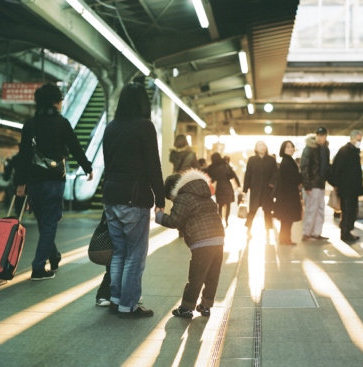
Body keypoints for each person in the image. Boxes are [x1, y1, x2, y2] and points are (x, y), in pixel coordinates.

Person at [15, 82, 93, 280]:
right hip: (54, 181)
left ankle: (54, 255)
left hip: (34, 182)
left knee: (44, 222)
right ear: (54, 102)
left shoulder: (30, 124)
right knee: (49, 224)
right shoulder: (61, 122)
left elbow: (23, 155)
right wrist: (87, 168)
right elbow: (75, 147)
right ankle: (38, 268)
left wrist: (21, 183)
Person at [102, 82, 165, 319]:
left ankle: (116, 299)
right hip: (134, 197)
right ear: (143, 103)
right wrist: (160, 197)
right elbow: (153, 165)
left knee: (119, 253)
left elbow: (108, 163)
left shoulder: (111, 127)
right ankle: (128, 305)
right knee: (135, 254)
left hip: (111, 196)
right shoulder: (144, 127)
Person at [155, 169, 225, 318]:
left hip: (202, 242)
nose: (172, 201)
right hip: (218, 239)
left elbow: (174, 220)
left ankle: (186, 308)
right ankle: (205, 306)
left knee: (196, 276)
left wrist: (159, 216)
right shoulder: (204, 194)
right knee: (212, 275)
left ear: (173, 191)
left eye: (170, 198)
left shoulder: (183, 198)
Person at [332, 130, 363, 242]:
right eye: (358, 140)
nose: (359, 142)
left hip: (352, 188)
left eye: (360, 140)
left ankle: (348, 231)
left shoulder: (353, 151)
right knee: (347, 211)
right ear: (352, 138)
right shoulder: (345, 151)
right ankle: (345, 233)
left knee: (352, 210)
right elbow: (336, 169)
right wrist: (336, 184)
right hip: (347, 188)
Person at [300, 126, 331, 241]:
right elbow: (304, 167)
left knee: (320, 209)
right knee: (311, 209)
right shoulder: (309, 149)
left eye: (322, 135)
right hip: (312, 185)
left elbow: (326, 168)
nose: (320, 137)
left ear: (325, 136)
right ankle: (307, 232)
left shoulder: (325, 150)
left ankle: (316, 232)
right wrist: (307, 185)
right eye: (318, 135)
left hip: (321, 184)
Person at [243, 141, 277, 233]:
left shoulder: (271, 160)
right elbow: (248, 174)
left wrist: (272, 183)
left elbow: (275, 173)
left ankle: (268, 230)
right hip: (255, 189)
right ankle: (248, 228)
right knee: (252, 210)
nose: (262, 147)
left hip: (267, 190)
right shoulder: (252, 160)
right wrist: (245, 188)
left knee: (267, 211)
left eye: (264, 145)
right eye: (260, 145)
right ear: (256, 148)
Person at [273, 141, 302, 245]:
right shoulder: (287, 162)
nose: (290, 149)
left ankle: (284, 239)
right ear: (283, 149)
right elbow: (292, 178)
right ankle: (285, 240)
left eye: (292, 147)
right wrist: (300, 177)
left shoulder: (287, 161)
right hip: (288, 196)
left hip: (286, 195)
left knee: (286, 220)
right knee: (287, 219)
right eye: (288, 147)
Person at [206, 152, 240, 227]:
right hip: (228, 186)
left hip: (220, 187)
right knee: (228, 205)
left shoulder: (212, 167)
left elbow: (211, 179)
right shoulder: (226, 165)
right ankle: (227, 220)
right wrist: (239, 185)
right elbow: (233, 175)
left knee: (220, 205)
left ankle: (220, 219)